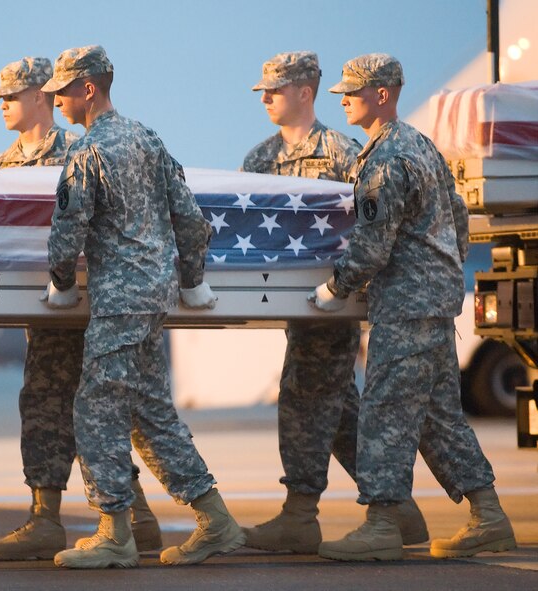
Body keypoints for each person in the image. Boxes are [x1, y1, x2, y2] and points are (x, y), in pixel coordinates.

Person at [39, 45, 244, 569]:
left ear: (89, 88)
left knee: (95, 409)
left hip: (121, 299)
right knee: (150, 413)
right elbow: (191, 219)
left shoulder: (88, 152)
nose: (57, 99)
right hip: (153, 295)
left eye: (63, 89)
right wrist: (191, 281)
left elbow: (68, 233)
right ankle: (216, 520)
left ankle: (114, 531)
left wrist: (61, 284)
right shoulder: (148, 139)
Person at [311, 53, 516, 561]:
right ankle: (489, 517)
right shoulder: (422, 146)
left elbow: (372, 246)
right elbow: (459, 219)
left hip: (405, 306)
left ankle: (382, 525)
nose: (342, 100)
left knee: (384, 410)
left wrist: (335, 288)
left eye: (352, 92)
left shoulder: (385, 159)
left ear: (383, 94)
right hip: (433, 302)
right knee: (437, 417)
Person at [241, 51, 427, 553]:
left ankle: (300, 514)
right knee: (338, 408)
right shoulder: (258, 161)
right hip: (293, 304)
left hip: (333, 302)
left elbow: (371, 225)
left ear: (306, 92)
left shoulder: (346, 153)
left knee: (304, 396)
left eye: (274, 90)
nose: (264, 98)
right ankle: (401, 512)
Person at [0, 57, 161, 561]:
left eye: (12, 97)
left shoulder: (81, 149)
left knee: (112, 413)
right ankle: (46, 518)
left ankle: (135, 515)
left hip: (93, 301)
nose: (4, 107)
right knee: (43, 404)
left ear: (41, 97)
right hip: (43, 313)